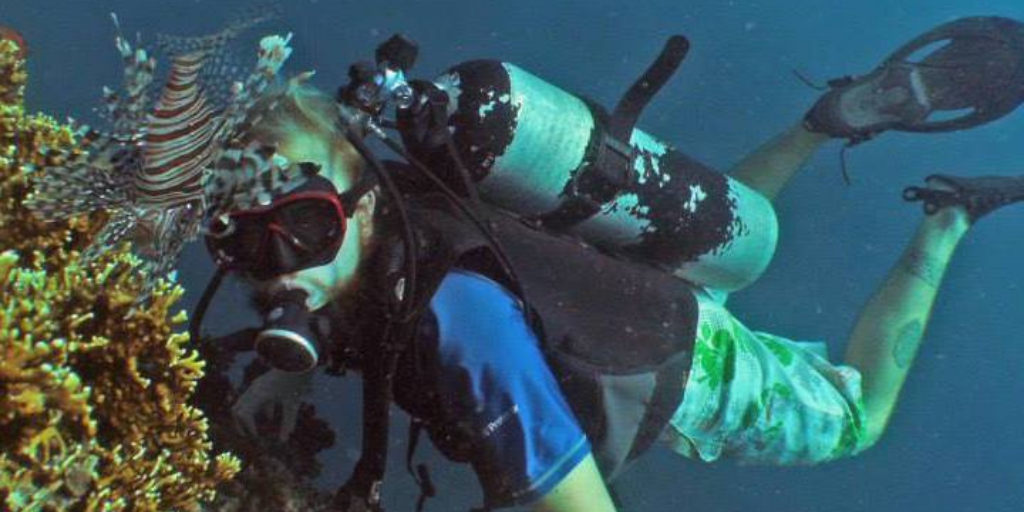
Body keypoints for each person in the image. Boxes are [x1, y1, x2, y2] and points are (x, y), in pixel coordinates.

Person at [209, 17, 1024, 512]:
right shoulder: (385, 226)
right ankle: (820, 124)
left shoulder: (460, 324)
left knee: (860, 423)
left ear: (374, 201)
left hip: (687, 365)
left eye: (306, 227)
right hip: (614, 281)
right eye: (240, 243)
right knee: (716, 246)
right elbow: (341, 295)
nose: (277, 269)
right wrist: (287, 374)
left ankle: (951, 216)